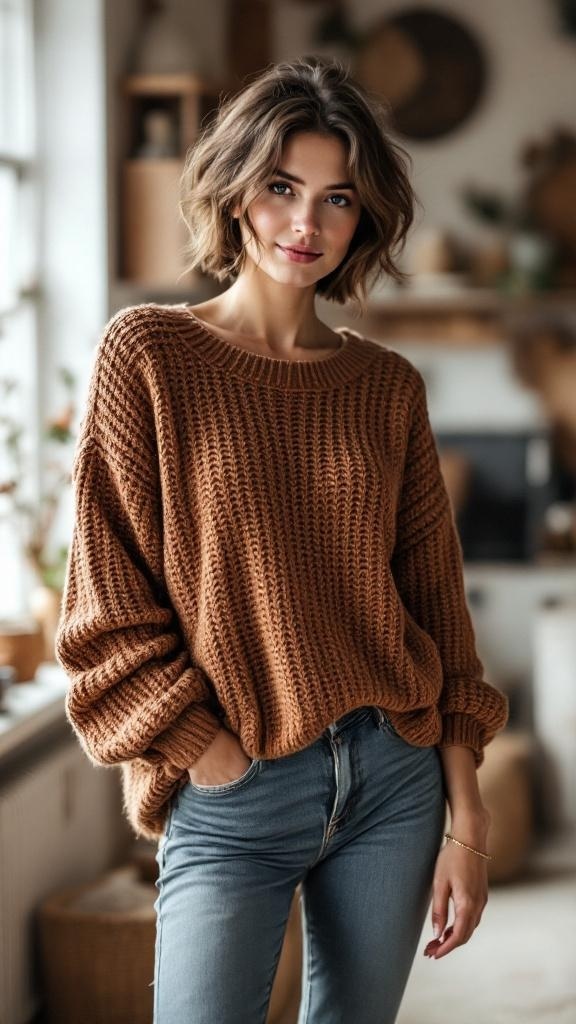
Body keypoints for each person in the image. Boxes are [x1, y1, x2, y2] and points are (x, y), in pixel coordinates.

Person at [55, 55, 509, 1024]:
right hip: (235, 783)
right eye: (281, 187)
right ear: (235, 193)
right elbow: (103, 609)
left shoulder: (387, 387)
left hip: (394, 775)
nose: (306, 224)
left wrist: (467, 815)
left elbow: (437, 608)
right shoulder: (148, 357)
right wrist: (210, 753)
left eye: (337, 198)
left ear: (364, 219)